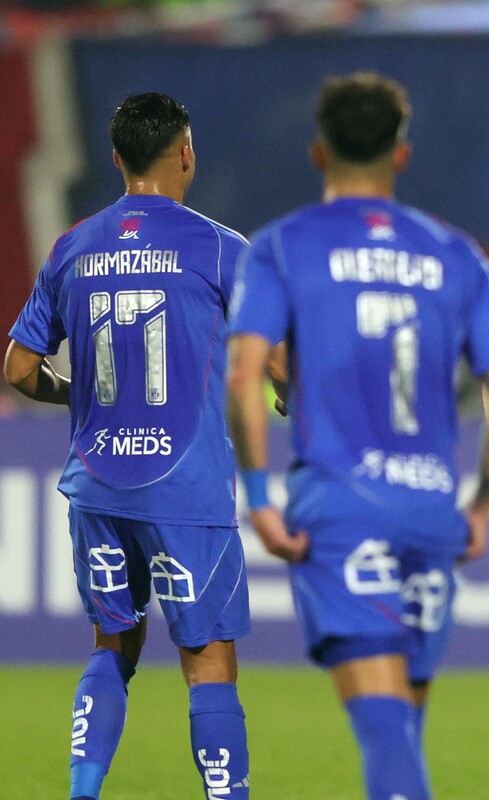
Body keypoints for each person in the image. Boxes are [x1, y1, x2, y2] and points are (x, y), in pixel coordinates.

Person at [225, 72, 489, 800]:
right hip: (427, 510)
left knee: (385, 731)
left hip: (339, 506)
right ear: (401, 154)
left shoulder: (283, 246)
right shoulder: (455, 254)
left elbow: (244, 376)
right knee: (404, 727)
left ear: (317, 152)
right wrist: (478, 506)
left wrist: (260, 498)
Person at [4, 93, 251, 799]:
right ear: (186, 154)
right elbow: (281, 356)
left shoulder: (73, 246)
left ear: (116, 157)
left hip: (98, 486)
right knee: (207, 662)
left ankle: (82, 792)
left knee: (113, 645)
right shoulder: (221, 246)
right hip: (186, 488)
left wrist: (77, 396)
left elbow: (18, 369)